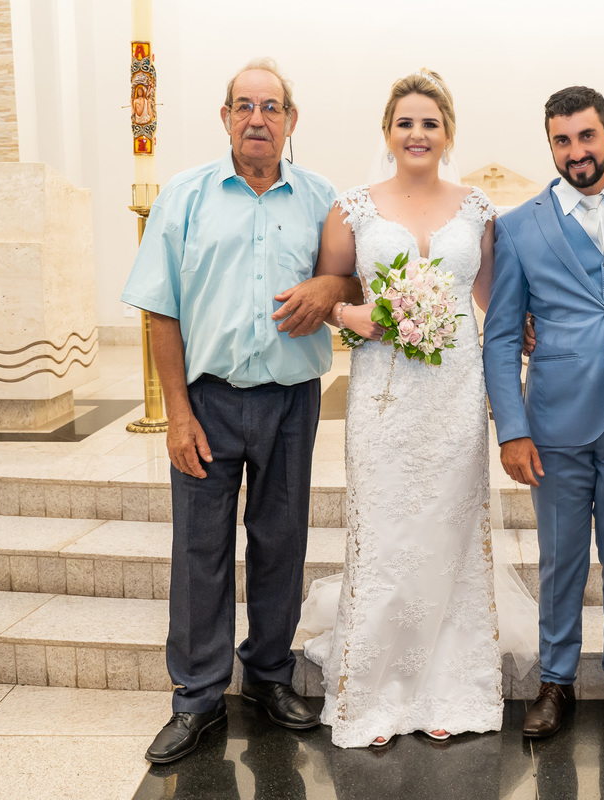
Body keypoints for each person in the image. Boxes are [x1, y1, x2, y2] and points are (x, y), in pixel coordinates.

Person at [121, 58, 360, 764]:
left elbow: (350, 273)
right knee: (200, 549)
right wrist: (178, 414)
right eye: (244, 106)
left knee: (281, 540)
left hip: (291, 399)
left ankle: (267, 675)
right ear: (225, 116)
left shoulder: (321, 199)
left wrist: (328, 283)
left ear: (291, 120)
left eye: (272, 107)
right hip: (210, 401)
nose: (258, 118)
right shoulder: (186, 197)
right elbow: (160, 309)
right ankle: (196, 697)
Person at [301, 68, 519, 749]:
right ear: (388, 133)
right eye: (405, 122)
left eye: (430, 122)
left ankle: (451, 684)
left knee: (450, 532)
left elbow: (492, 299)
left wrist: (538, 334)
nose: (417, 133)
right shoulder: (352, 208)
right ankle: (376, 693)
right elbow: (331, 293)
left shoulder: (478, 210)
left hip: (454, 392)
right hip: (384, 393)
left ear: (447, 132)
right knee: (388, 532)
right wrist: (350, 316)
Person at [482, 86, 604, 740]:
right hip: (556, 423)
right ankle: (555, 683)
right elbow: (503, 334)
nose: (576, 152)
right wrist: (513, 429)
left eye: (586, 137)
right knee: (560, 562)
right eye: (562, 140)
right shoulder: (518, 226)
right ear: (551, 144)